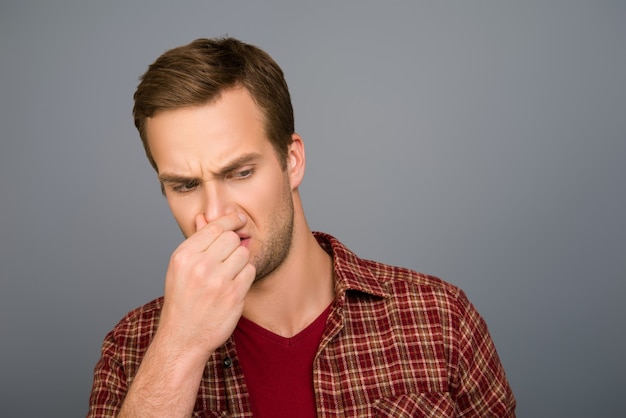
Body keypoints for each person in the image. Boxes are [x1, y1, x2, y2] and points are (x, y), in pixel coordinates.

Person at [87, 37, 515, 417]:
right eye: (185, 185)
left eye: (240, 173)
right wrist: (179, 348)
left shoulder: (439, 319)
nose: (215, 213)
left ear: (292, 162)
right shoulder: (132, 350)